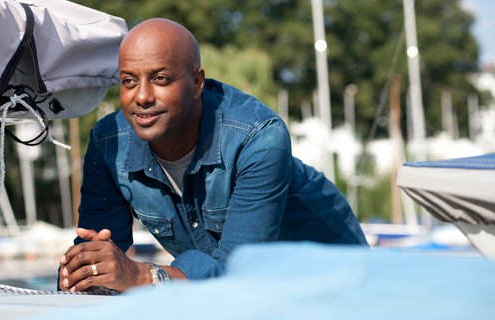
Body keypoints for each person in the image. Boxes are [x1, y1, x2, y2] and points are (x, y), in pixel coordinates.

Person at [58, 17, 367, 293]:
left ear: (197, 83)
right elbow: (99, 248)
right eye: (129, 81)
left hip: (334, 282)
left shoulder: (258, 138)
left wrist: (142, 276)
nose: (142, 97)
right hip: (234, 293)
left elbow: (241, 272)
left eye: (160, 79)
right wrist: (83, 270)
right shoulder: (108, 142)